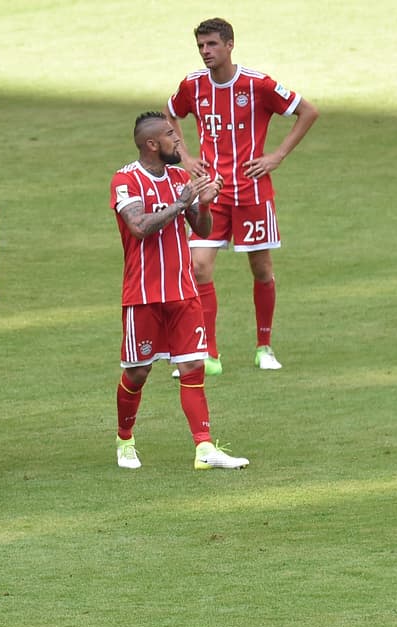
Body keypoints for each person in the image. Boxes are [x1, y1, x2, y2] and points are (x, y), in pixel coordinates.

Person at [166, 17, 318, 375]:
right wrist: (185, 157)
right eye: (201, 45)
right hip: (210, 194)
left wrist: (277, 155)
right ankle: (208, 352)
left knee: (261, 268)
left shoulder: (257, 84)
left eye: (212, 45)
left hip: (252, 192)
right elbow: (170, 114)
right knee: (198, 267)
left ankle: (264, 346)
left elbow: (308, 111)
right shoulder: (192, 85)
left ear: (230, 45)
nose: (206, 51)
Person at [110, 112, 250, 470]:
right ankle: (125, 440)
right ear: (152, 144)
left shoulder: (178, 178)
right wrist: (181, 202)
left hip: (183, 291)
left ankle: (204, 448)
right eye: (172, 135)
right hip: (142, 294)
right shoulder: (126, 180)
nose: (179, 141)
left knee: (192, 366)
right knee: (137, 373)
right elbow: (139, 226)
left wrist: (202, 202)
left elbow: (202, 229)